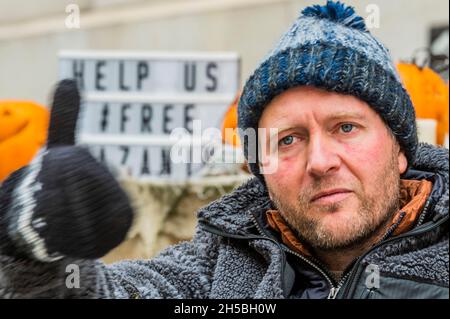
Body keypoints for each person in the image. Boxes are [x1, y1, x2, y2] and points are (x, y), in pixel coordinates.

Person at [0, 1, 448, 299]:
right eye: (287, 139)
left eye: (346, 128)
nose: (320, 161)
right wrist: (31, 244)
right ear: (259, 169)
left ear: (400, 149)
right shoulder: (215, 269)